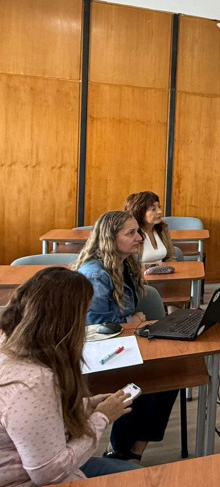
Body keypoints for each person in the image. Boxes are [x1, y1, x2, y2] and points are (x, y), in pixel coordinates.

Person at [0, 267, 139, 485]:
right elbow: (48, 474)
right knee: (141, 478)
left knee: (134, 472)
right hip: (33, 478)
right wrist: (101, 418)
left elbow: (36, 418)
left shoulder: (9, 344)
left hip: (39, 461)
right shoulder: (33, 382)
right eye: (83, 314)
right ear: (66, 322)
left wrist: (86, 405)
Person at [73, 211, 178, 462]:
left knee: (171, 376)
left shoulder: (124, 263)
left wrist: (132, 321)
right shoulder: (96, 274)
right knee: (147, 382)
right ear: (110, 238)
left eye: (138, 232)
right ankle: (120, 450)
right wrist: (130, 321)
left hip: (123, 344)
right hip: (93, 353)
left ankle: (132, 453)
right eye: (130, 233)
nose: (139, 237)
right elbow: (95, 327)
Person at [123, 191, 175, 264]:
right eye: (153, 209)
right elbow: (129, 265)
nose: (159, 211)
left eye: (159, 207)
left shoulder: (162, 228)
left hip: (164, 273)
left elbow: (170, 257)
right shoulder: (131, 233)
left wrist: (169, 271)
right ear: (140, 212)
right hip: (140, 274)